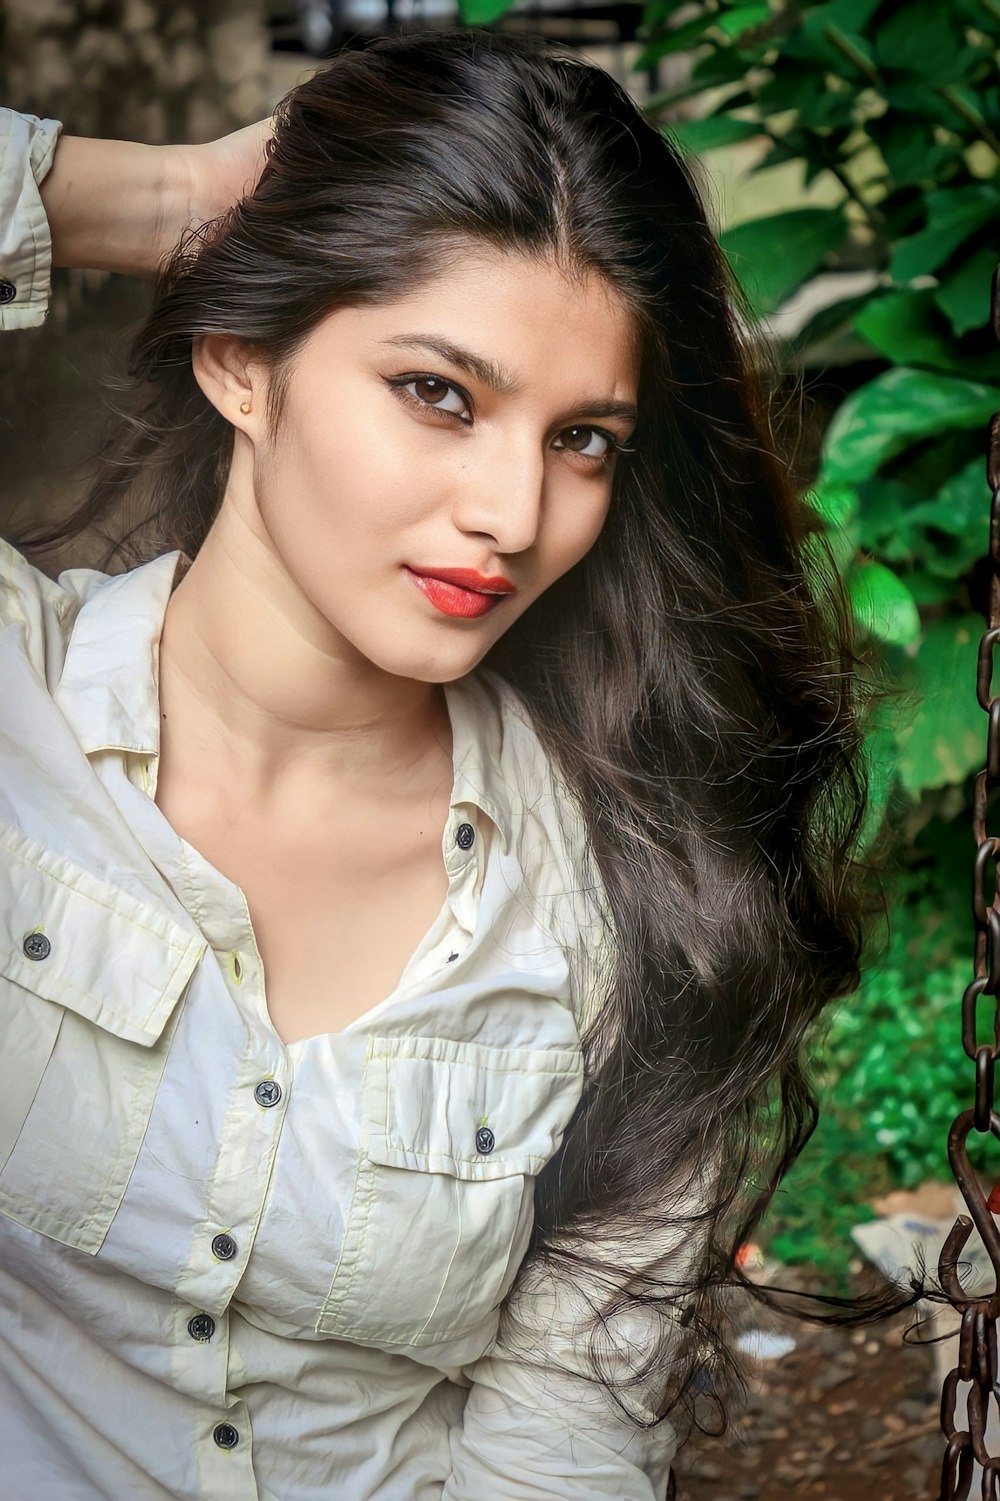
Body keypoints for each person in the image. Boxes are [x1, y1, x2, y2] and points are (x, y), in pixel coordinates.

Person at [0, 28, 873, 1501]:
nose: (514, 510)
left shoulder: (636, 889)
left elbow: (563, 1445)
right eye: (441, 394)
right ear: (241, 360)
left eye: (584, 438)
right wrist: (158, 202)